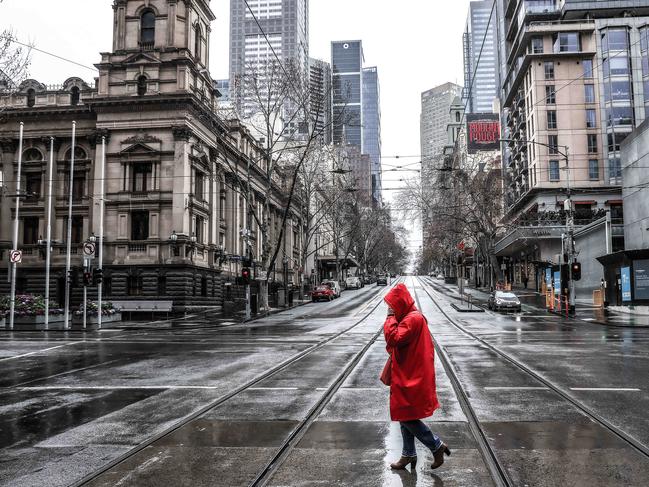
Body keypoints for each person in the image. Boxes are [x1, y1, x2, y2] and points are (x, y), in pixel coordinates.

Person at [383, 283, 451, 471]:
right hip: (410, 373)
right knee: (404, 413)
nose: (390, 309)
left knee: (405, 416)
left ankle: (436, 445)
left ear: (400, 304)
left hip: (411, 376)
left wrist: (390, 317)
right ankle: (408, 454)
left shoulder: (411, 319)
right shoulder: (412, 316)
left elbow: (393, 338)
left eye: (392, 306)